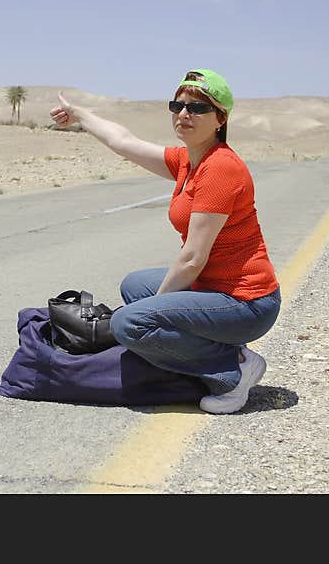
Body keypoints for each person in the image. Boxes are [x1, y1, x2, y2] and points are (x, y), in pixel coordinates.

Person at [49, 69, 280, 414]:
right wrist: (80, 115)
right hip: (214, 289)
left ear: (220, 118)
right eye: (178, 105)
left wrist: (150, 313)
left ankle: (232, 371)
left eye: (198, 108)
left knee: (128, 322)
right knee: (134, 286)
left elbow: (191, 260)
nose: (184, 114)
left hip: (247, 303)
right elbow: (123, 142)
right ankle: (212, 349)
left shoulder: (221, 168)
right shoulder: (188, 160)